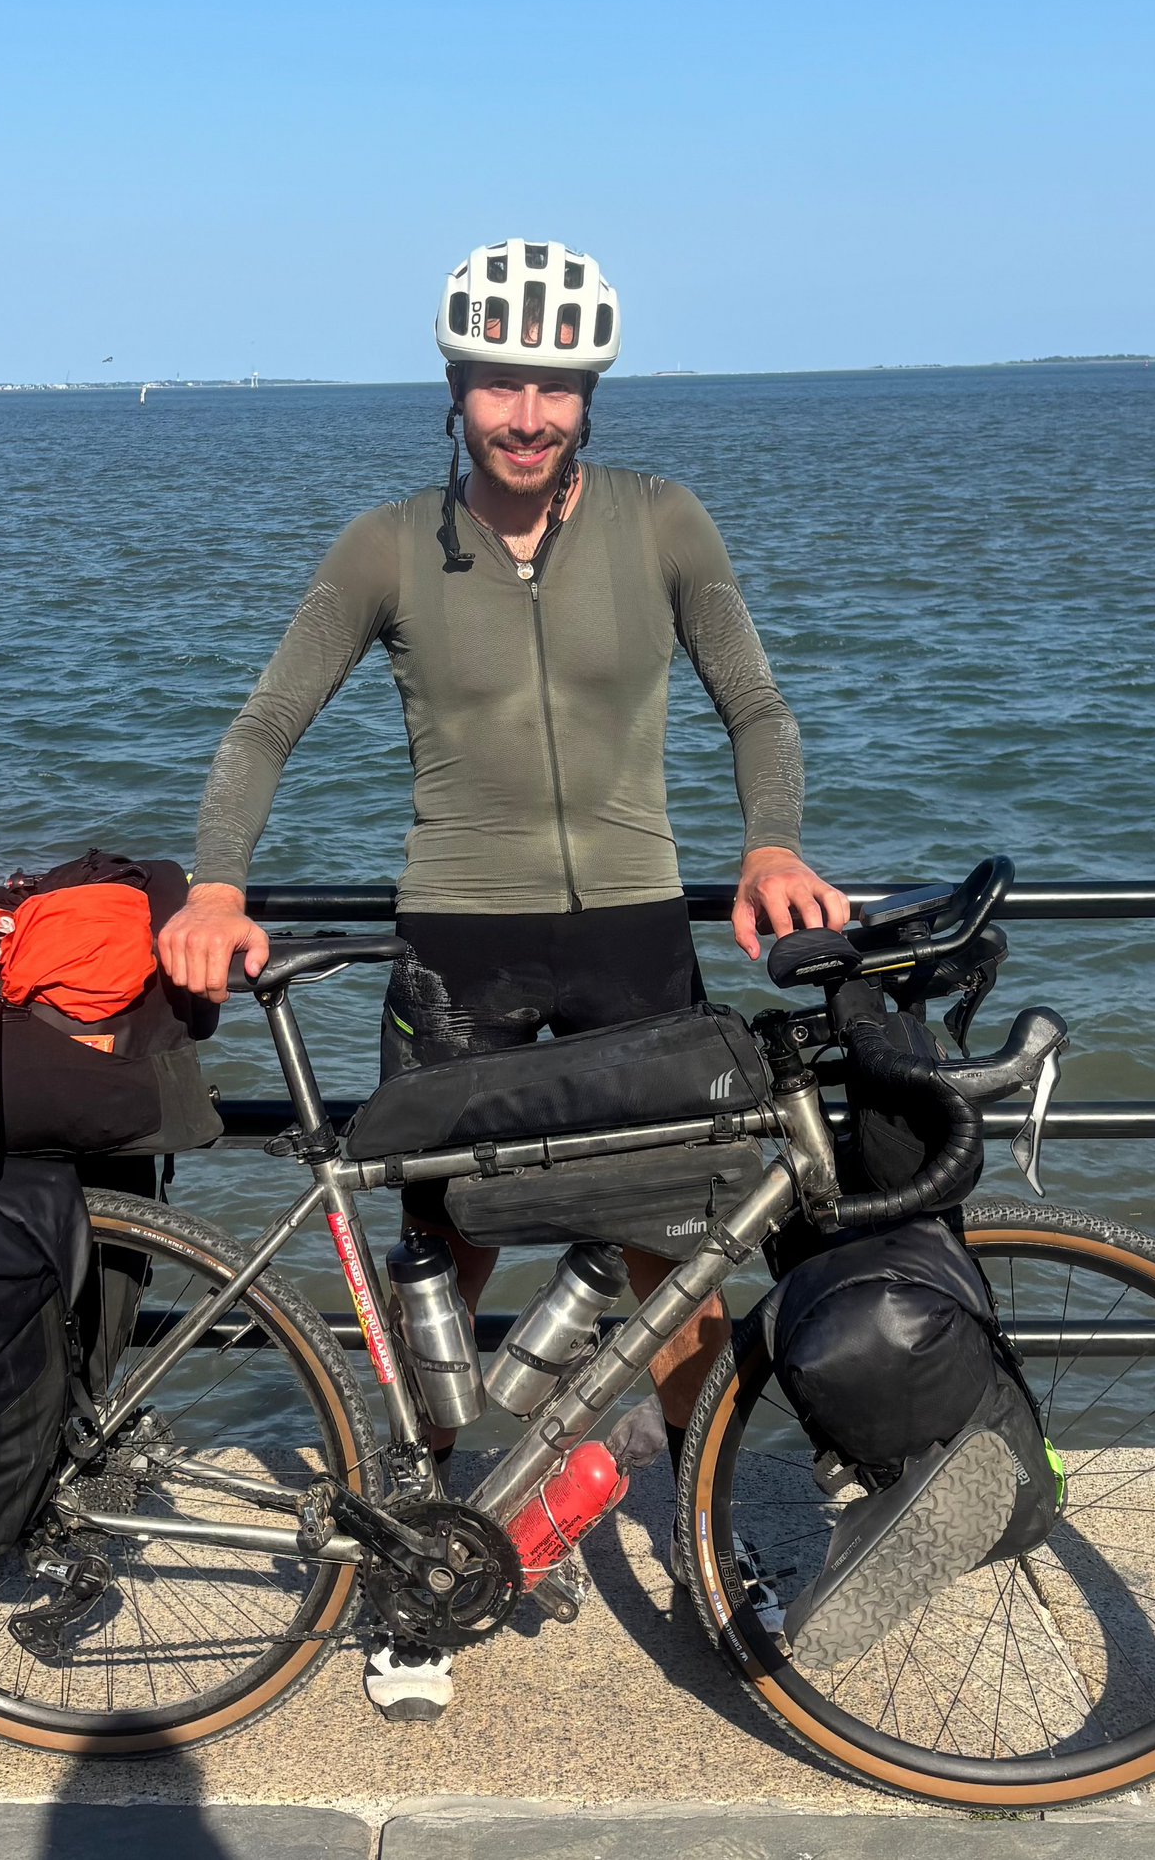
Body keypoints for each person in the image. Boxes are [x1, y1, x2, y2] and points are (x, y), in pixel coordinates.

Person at [160, 237, 847, 1720]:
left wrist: (770, 847)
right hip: (458, 944)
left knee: (681, 1257)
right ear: (454, 385)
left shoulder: (664, 522)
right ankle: (421, 1560)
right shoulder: (388, 545)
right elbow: (265, 722)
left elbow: (758, 705)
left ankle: (710, 1551)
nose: (526, 412)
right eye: (498, 381)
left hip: (632, 936)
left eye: (555, 382)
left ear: (590, 390)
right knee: (438, 1259)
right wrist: (215, 878)